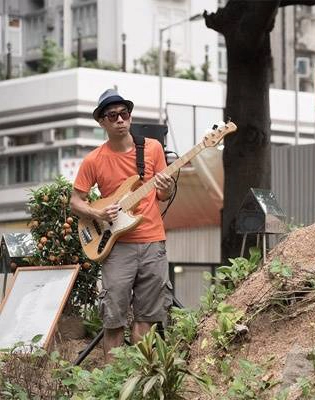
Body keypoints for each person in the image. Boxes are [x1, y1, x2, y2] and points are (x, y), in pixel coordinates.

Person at [70, 89, 175, 362]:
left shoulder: (152, 148)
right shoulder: (93, 160)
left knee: (148, 317)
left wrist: (167, 185)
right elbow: (75, 201)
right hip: (116, 247)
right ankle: (112, 383)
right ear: (102, 122)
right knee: (113, 319)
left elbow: (162, 194)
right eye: (112, 115)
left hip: (153, 241)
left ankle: (140, 379)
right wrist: (99, 212)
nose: (120, 119)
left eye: (124, 114)